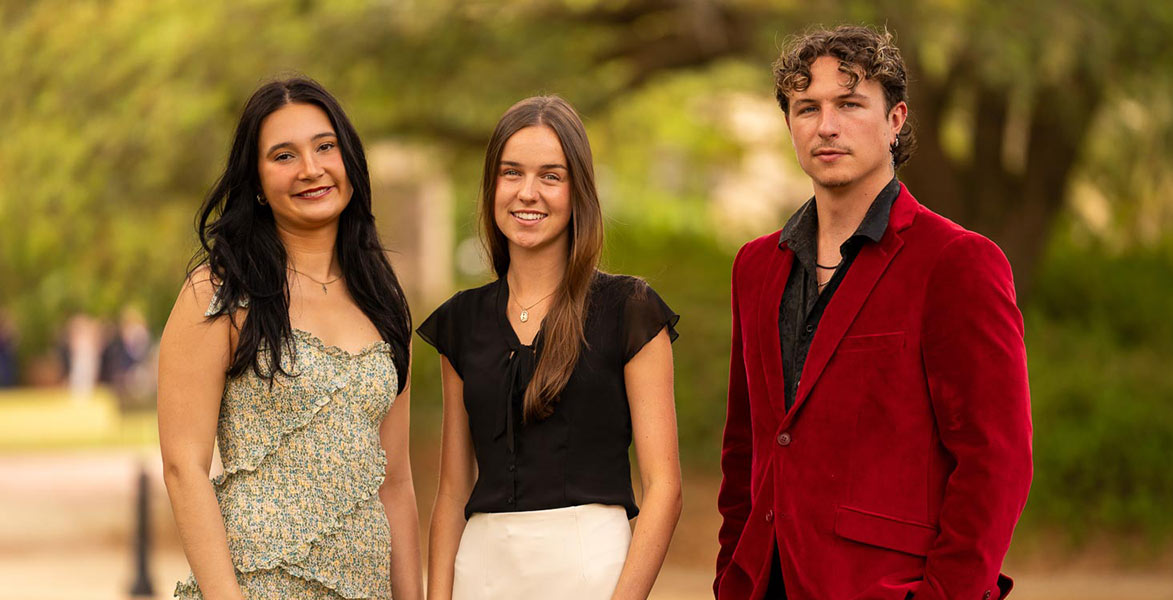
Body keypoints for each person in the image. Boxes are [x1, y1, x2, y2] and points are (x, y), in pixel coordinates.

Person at [715, 26, 1033, 600]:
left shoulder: (957, 262)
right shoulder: (755, 266)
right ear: (790, 123)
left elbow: (996, 462)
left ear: (896, 120)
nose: (826, 125)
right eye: (806, 107)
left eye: (850, 103)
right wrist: (730, 578)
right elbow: (746, 448)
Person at [158, 77, 422, 600]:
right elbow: (182, 466)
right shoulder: (218, 293)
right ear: (256, 182)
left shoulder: (385, 301)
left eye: (325, 147)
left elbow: (396, 483)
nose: (310, 168)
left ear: (349, 160)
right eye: (283, 155)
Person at [419, 95, 682, 600]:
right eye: (511, 173)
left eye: (551, 176)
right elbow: (452, 492)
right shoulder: (461, 320)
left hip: (592, 572)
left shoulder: (629, 308)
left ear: (577, 189)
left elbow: (665, 488)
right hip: (483, 573)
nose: (528, 193)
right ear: (492, 186)